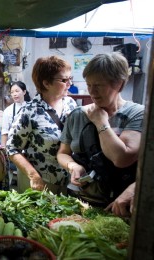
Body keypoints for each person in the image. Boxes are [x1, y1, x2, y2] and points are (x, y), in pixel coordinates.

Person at [57, 52, 143, 206]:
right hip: (80, 201)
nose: (92, 91)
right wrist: (73, 166)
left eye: (98, 85)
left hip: (120, 204)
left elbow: (121, 158)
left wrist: (101, 123)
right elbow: (63, 153)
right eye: (89, 85)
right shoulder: (77, 115)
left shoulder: (136, 114)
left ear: (120, 84)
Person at [6, 56, 77, 195]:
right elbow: (12, 148)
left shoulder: (70, 103)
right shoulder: (29, 111)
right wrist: (33, 176)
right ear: (46, 83)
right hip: (40, 183)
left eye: (70, 78)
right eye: (64, 80)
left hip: (67, 180)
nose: (70, 83)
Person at [0, 81, 31, 146]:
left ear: (24, 92)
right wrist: (3, 149)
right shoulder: (8, 111)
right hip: (14, 147)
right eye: (12, 92)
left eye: (17, 91)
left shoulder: (31, 108)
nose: (14, 94)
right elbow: (5, 132)